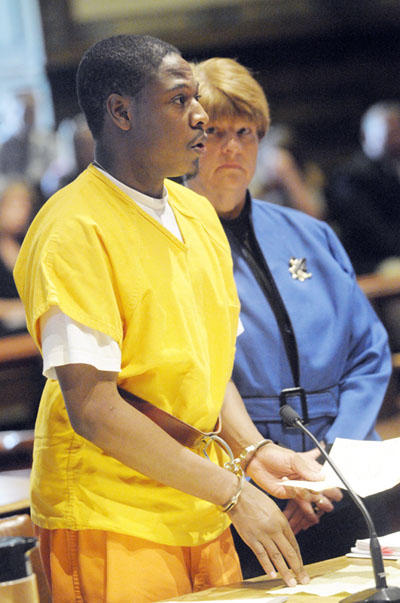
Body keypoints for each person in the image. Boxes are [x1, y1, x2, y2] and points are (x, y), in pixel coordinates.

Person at [13, 35, 324, 603]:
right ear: (121, 111)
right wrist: (233, 493)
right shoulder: (72, 228)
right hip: (112, 517)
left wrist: (252, 452)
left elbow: (208, 369)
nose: (201, 116)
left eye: (195, 99)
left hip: (200, 503)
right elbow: (94, 410)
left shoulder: (197, 211)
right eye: (180, 101)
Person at [185, 57, 392, 575]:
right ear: (188, 139)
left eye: (246, 132)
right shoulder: (173, 244)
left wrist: (330, 468)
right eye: (214, 132)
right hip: (245, 481)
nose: (232, 147)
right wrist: (268, 471)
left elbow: (368, 356)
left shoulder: (310, 235)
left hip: (345, 469)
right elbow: (193, 379)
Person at [326, 101, 400, 276]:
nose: (397, 140)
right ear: (366, 135)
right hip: (368, 262)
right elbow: (374, 235)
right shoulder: (349, 177)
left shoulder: (391, 169)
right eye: (390, 134)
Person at [0, 178, 37, 337]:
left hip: (31, 330)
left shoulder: (30, 246)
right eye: (13, 205)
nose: (20, 212)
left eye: (24, 205)